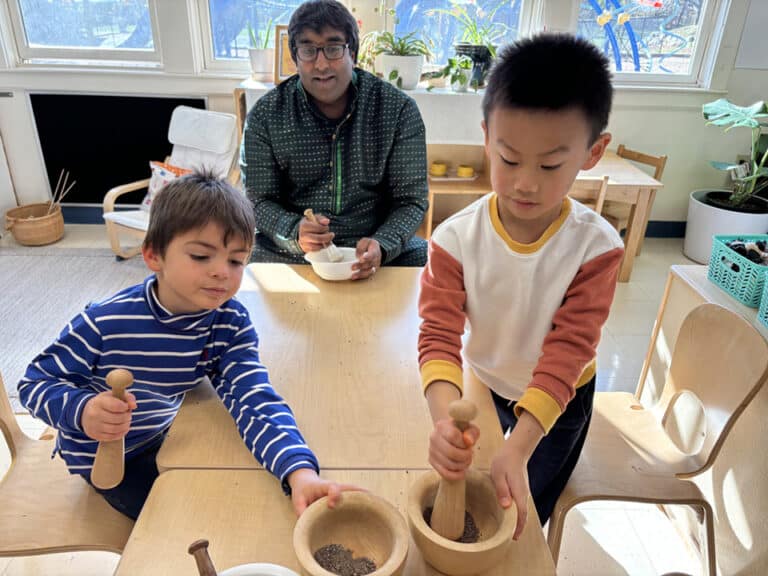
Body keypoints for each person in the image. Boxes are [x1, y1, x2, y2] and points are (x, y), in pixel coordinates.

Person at [17, 172, 357, 520]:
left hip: (168, 429)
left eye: (236, 261)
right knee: (182, 521)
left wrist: (299, 472)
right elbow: (34, 383)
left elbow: (254, 398)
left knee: (248, 498)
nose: (221, 272)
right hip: (108, 455)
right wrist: (83, 410)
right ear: (154, 256)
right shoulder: (104, 322)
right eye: (200, 256)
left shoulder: (228, 323)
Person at [418, 34, 625, 539]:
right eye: (508, 159)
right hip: (488, 383)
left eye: (550, 165)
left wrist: (520, 444)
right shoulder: (454, 239)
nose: (525, 183)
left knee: (522, 509)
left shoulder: (596, 249)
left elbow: (567, 352)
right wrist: (445, 422)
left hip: (560, 399)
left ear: (593, 152)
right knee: (472, 483)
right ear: (487, 137)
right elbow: (438, 336)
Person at [241, 0, 429, 278]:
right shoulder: (266, 115)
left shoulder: (397, 109)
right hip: (293, 250)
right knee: (246, 260)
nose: (321, 64)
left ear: (352, 52)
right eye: (308, 50)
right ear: (295, 57)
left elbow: (411, 200)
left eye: (333, 48)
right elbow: (257, 200)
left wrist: (383, 243)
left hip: (374, 246)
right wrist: (294, 231)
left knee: (429, 259)